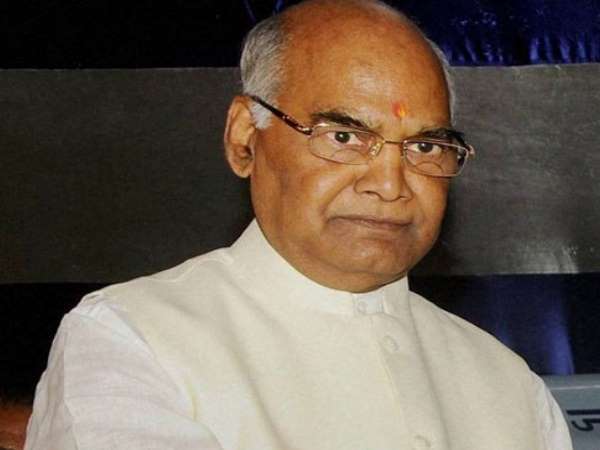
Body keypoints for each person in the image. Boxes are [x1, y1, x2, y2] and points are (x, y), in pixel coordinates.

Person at [25, 0, 573, 449]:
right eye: (344, 137)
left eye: (425, 146)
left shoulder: (508, 384)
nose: (390, 184)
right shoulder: (132, 338)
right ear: (245, 137)